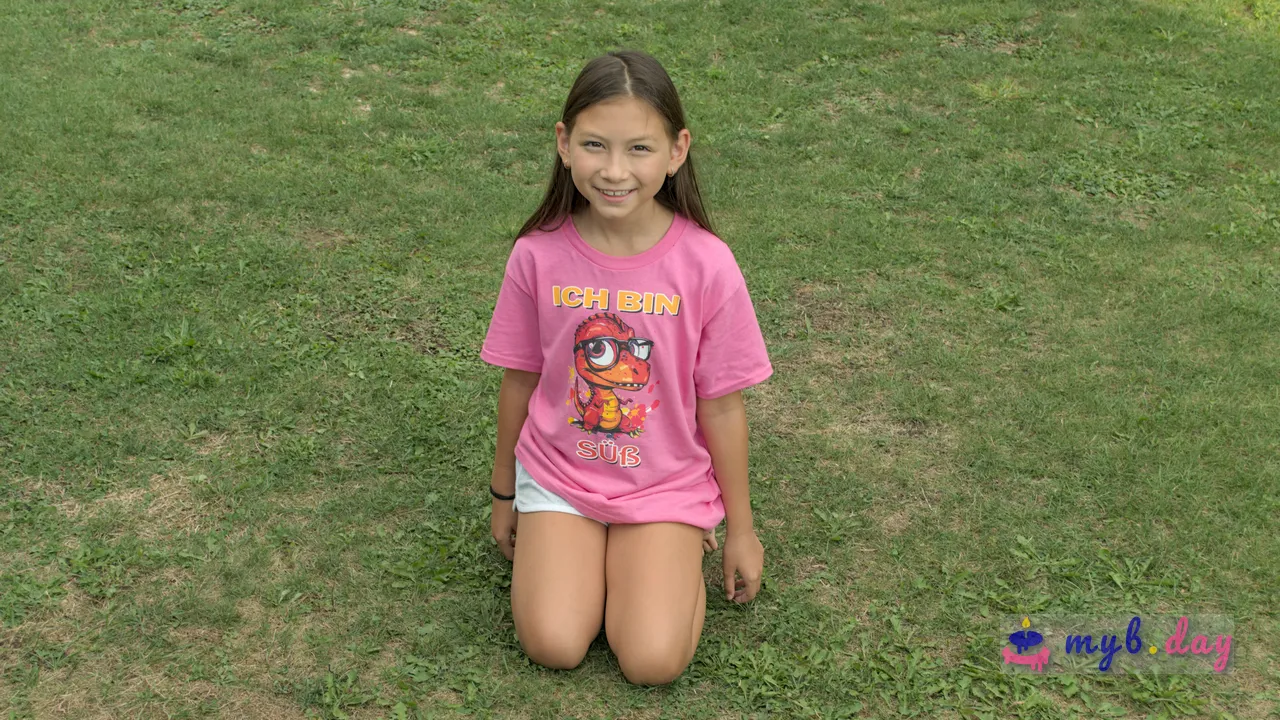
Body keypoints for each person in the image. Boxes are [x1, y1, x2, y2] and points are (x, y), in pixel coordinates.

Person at [479, 49, 773, 687]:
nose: (614, 171)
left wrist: (741, 530)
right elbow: (520, 380)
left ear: (677, 151)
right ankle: (580, 548)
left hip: (663, 486)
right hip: (561, 477)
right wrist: (506, 493)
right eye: (594, 145)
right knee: (553, 642)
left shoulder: (707, 264)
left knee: (651, 661)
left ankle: (669, 550)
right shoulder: (537, 256)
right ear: (563, 144)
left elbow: (722, 404)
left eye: (639, 149)